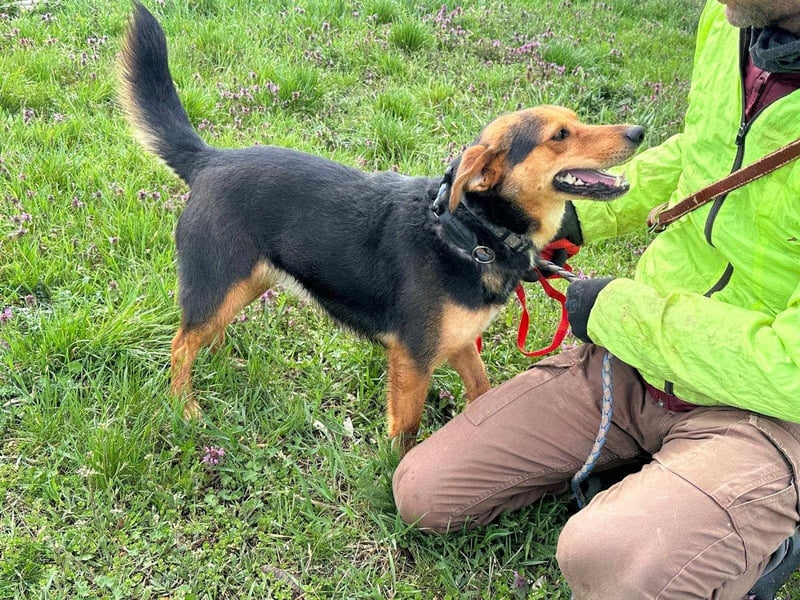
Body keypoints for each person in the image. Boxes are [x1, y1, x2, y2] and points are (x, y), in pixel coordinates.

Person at [392, 0, 800, 598]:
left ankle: (768, 525)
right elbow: (700, 154)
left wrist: (615, 311)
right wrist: (573, 221)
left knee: (603, 560)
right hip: (635, 365)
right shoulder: (731, 17)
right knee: (425, 493)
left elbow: (791, 371)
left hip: (765, 408)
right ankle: (665, 481)